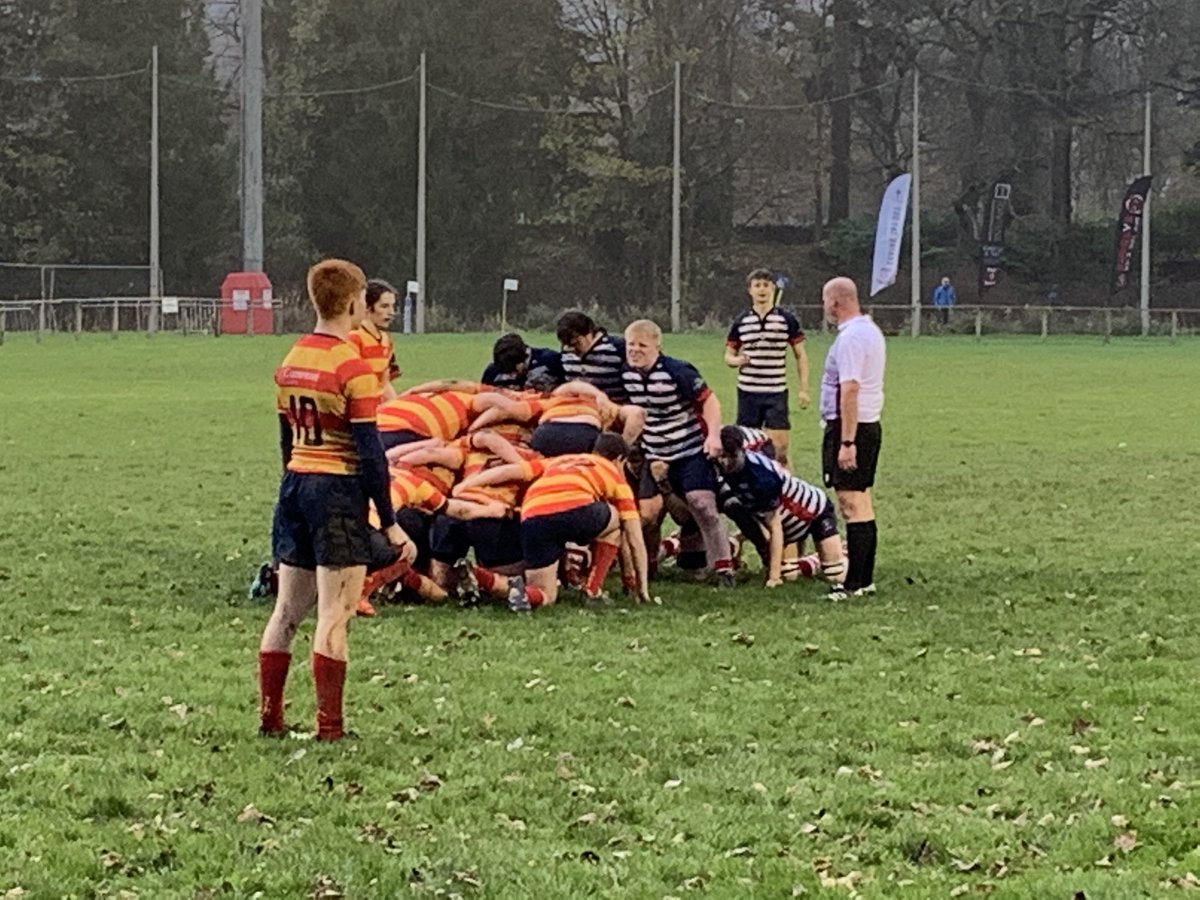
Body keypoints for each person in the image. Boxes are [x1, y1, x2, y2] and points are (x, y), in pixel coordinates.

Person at [259, 259, 415, 742]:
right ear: (353, 302)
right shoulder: (353, 366)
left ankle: (272, 718)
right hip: (337, 490)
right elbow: (371, 453)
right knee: (335, 612)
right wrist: (388, 521)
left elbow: (287, 440)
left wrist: (293, 482)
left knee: (285, 612)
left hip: (296, 484)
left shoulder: (291, 360)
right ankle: (331, 728)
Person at [455, 433, 651, 611]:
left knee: (545, 594)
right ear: (619, 460)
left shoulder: (561, 460)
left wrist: (466, 485)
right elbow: (635, 538)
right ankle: (593, 591)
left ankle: (479, 576)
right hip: (578, 509)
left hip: (534, 515)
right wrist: (642, 589)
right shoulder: (615, 476)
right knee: (618, 521)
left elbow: (512, 471)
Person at [622, 319, 734, 586]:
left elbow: (710, 401)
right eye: (631, 345)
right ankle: (647, 567)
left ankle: (723, 568)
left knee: (702, 505)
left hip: (689, 451)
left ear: (657, 347)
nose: (635, 350)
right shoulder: (625, 373)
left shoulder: (677, 370)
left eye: (642, 345)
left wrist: (714, 436)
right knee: (647, 514)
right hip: (654, 454)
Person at [715, 426, 846, 592]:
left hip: (812, 513)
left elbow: (774, 525)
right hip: (786, 524)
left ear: (741, 451)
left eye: (730, 456)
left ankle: (844, 551)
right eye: (722, 456)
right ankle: (811, 560)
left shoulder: (760, 476)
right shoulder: (718, 463)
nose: (725, 462)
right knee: (790, 574)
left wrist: (773, 577)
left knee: (836, 575)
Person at [819, 276, 886, 598]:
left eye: (825, 301)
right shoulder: (868, 331)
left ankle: (855, 583)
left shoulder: (851, 339)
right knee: (861, 502)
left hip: (853, 427)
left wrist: (847, 443)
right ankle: (864, 578)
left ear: (835, 302)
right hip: (865, 424)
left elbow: (850, 389)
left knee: (851, 503)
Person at [724, 268, 809, 468]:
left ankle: (787, 492)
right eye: (757, 285)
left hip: (776, 392)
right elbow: (728, 355)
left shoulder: (786, 320)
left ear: (773, 288)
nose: (762, 289)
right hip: (748, 392)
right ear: (750, 290)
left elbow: (800, 355)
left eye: (766, 285)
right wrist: (738, 361)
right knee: (747, 450)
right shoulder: (742, 321)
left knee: (780, 451)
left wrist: (804, 389)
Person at [557, 311, 628, 402]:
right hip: (578, 408)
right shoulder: (566, 352)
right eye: (568, 345)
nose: (573, 349)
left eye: (578, 343)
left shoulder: (617, 347)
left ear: (589, 333)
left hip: (612, 406)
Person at [348, 279, 402, 400]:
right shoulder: (354, 339)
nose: (391, 312)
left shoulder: (386, 340)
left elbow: (385, 383)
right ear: (367, 307)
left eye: (393, 306)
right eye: (384, 306)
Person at [482, 332, 565, 391]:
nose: (512, 376)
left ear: (525, 356)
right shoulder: (492, 372)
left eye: (513, 370)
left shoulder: (549, 360)